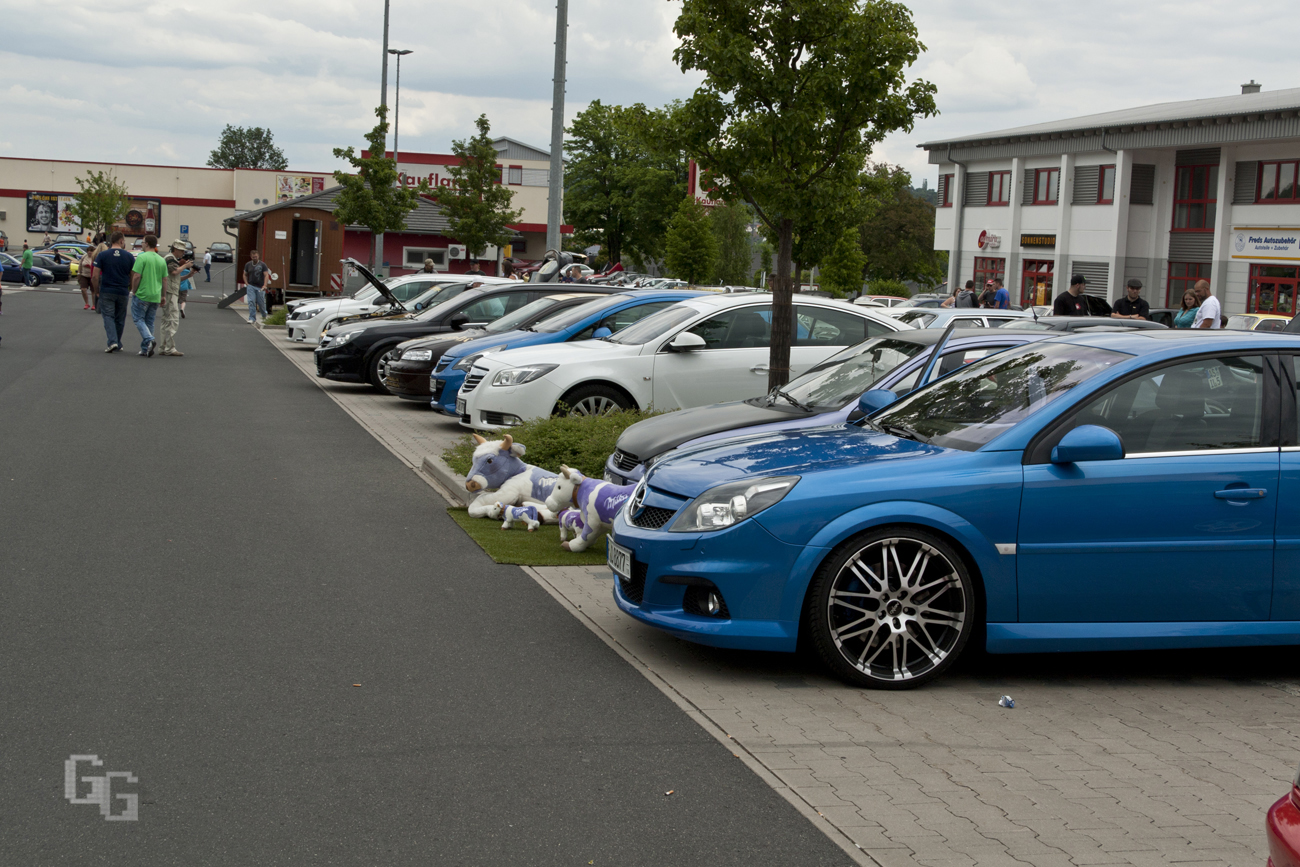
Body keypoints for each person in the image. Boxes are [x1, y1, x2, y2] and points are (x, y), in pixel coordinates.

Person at [92, 232, 135, 352]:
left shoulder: (102, 255)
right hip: (122, 290)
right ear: (121, 241)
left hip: (107, 290)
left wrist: (97, 291)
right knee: (120, 318)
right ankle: (117, 342)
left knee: (108, 316)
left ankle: (112, 341)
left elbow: (95, 276)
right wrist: (130, 288)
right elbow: (133, 274)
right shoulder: (129, 256)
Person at [129, 235, 166, 356]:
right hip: (155, 295)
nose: (142, 244)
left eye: (143, 242)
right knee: (149, 321)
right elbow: (164, 279)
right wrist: (163, 296)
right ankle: (146, 348)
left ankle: (149, 339)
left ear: (147, 244)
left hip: (143, 293)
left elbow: (136, 275)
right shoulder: (161, 260)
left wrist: (134, 290)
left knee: (138, 318)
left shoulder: (142, 257)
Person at [157, 240, 189, 356]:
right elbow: (174, 272)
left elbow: (176, 277)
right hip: (170, 293)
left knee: (166, 320)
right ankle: (169, 348)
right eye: (181, 250)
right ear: (175, 249)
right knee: (172, 319)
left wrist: (190, 274)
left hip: (170, 291)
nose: (182, 253)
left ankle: (163, 346)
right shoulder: (170, 259)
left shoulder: (172, 259)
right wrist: (185, 266)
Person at [242, 250, 271, 325]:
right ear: (251, 257)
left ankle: (264, 315)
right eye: (253, 257)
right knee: (251, 301)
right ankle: (252, 318)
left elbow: (266, 275)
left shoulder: (263, 265)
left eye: (256, 257)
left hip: (260, 287)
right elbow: (244, 274)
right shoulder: (248, 264)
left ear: (258, 256)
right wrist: (246, 283)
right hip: (251, 286)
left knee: (260, 303)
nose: (254, 258)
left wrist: (265, 285)